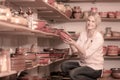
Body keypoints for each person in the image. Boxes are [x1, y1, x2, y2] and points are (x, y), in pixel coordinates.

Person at [60, 13, 104, 80]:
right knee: (64, 66)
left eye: (93, 21)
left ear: (96, 24)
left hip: (95, 68)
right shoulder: (83, 33)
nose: (89, 23)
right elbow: (75, 52)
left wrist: (74, 43)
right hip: (83, 64)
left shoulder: (98, 37)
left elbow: (86, 54)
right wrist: (70, 43)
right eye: (88, 20)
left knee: (73, 74)